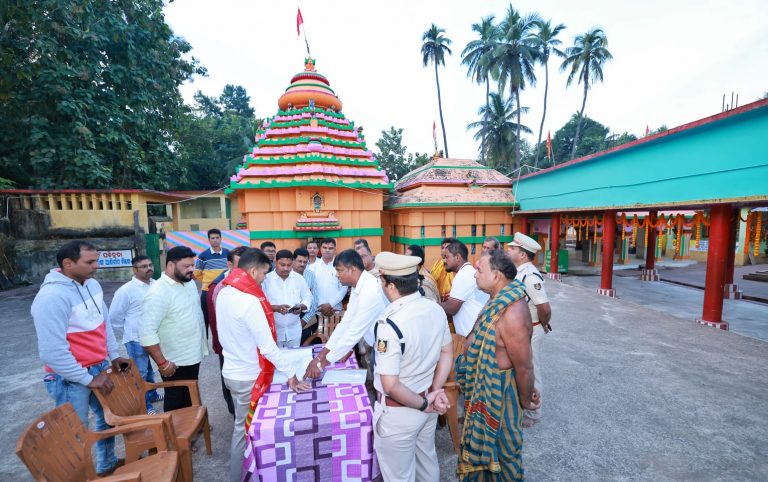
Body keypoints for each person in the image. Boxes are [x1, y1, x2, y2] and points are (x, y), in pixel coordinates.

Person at [32, 240, 130, 476]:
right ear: (68, 263)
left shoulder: (91, 284)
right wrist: (87, 379)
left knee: (108, 418)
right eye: (90, 262)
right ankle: (78, 478)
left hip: (98, 368)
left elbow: (103, 323)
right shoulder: (51, 297)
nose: (96, 266)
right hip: (69, 377)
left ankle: (106, 465)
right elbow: (52, 352)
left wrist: (113, 355)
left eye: (97, 260)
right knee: (74, 434)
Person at [216, 248, 310, 482]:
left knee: (244, 428)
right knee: (247, 432)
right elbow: (267, 347)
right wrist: (291, 375)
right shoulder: (249, 301)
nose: (264, 279)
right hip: (248, 376)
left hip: (232, 370)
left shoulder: (225, 292)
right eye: (263, 274)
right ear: (253, 271)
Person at [456, 250, 540, 480]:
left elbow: (524, 367)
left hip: (500, 396)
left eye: (479, 270)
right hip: (482, 391)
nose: (475, 275)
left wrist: (525, 400)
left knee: (505, 456)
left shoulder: (513, 313)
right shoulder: (496, 300)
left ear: (497, 275)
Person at [372, 252, 453, 481]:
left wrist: (424, 403)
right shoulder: (434, 309)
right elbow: (447, 352)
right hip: (427, 401)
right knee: (426, 464)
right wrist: (434, 391)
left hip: (401, 412)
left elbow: (390, 384)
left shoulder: (389, 322)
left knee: (399, 476)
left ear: (389, 285)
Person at [141, 246, 208, 412]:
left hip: (192, 354)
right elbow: (146, 333)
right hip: (175, 361)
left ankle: (193, 422)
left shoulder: (188, 283)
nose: (191, 270)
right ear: (170, 265)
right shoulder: (158, 292)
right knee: (176, 401)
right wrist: (162, 363)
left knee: (190, 395)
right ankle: (177, 428)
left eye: (192, 265)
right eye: (186, 266)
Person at [304, 249, 387, 379]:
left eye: (339, 270)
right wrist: (320, 356)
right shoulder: (357, 286)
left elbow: (353, 332)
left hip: (386, 346)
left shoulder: (369, 291)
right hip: (377, 343)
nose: (337, 275)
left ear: (352, 269)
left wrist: (322, 363)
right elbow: (346, 322)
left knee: (382, 383)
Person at [507, 232, 552, 428]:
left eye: (512, 248)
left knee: (531, 369)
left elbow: (544, 308)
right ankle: (523, 404)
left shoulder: (530, 276)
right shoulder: (519, 272)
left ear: (523, 254)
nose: (508, 250)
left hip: (531, 329)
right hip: (523, 329)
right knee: (521, 368)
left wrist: (543, 324)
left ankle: (534, 413)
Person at [109, 255, 160, 414]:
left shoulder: (157, 285)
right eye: (144, 266)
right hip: (136, 340)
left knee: (150, 370)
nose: (149, 268)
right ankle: (145, 406)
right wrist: (129, 332)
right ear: (134, 270)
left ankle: (152, 395)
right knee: (140, 374)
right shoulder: (125, 290)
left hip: (153, 337)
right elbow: (114, 317)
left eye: (150, 265)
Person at [207, 245, 248, 418]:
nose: (244, 270)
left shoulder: (250, 281)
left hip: (247, 345)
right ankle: (235, 414)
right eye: (240, 265)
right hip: (229, 346)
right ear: (229, 265)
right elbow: (218, 323)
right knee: (231, 381)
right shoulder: (220, 288)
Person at [263, 249, 313, 347]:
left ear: (292, 263)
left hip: (294, 329)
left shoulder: (298, 278)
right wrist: (275, 308)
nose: (286, 268)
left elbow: (308, 297)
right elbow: (261, 303)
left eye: (289, 265)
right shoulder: (266, 279)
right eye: (282, 265)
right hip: (273, 329)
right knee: (275, 355)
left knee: (294, 355)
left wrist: (301, 307)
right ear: (275, 262)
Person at [439, 240, 489, 337]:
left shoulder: (464, 275)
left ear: (457, 257)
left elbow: (451, 308)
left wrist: (430, 304)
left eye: (447, 257)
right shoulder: (467, 271)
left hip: (473, 335)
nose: (444, 261)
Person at [194, 228, 229, 337]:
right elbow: (197, 273)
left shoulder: (228, 253)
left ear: (221, 239)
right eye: (212, 238)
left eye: (217, 238)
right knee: (206, 319)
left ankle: (222, 342)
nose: (215, 240)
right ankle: (205, 342)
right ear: (209, 240)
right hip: (207, 292)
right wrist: (208, 282)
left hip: (224, 292)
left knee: (224, 319)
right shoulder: (203, 255)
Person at [308, 237, 347, 316]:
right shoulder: (312, 268)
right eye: (325, 247)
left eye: (330, 248)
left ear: (335, 249)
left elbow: (344, 288)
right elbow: (309, 290)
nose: (327, 250)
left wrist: (330, 304)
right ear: (320, 249)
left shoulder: (342, 267)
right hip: (316, 310)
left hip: (335, 310)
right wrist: (320, 306)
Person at [292, 247, 319, 344]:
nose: (302, 264)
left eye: (305, 262)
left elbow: (314, 301)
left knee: (303, 346)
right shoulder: (286, 275)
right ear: (293, 260)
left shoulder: (310, 275)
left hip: (306, 317)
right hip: (289, 315)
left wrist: (304, 320)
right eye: (299, 261)